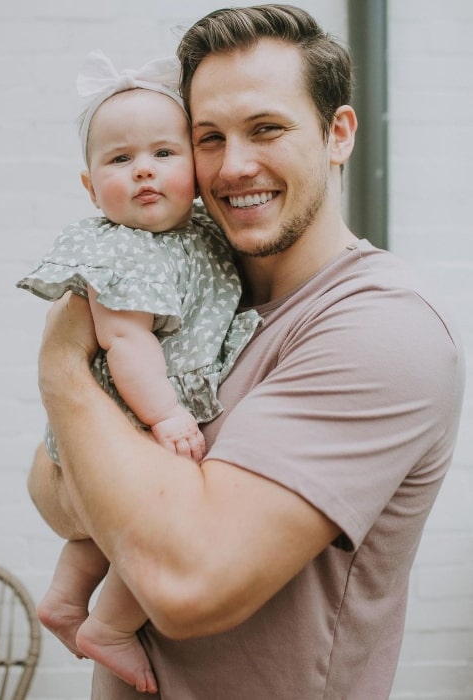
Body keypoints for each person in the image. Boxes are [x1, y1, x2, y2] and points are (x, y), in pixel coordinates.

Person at [27, 5, 465, 699]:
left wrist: (61, 364)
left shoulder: (382, 329)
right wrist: (132, 494)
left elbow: (186, 584)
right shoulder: (195, 293)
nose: (234, 166)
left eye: (267, 129)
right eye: (207, 138)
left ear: (337, 134)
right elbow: (51, 494)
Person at [17, 48, 261, 694]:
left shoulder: (200, 233)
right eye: (121, 161)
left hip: (143, 409)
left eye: (163, 154)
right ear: (91, 187)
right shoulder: (123, 252)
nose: (145, 172)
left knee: (105, 530)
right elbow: (127, 345)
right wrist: (167, 415)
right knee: (149, 521)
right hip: (134, 408)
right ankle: (111, 625)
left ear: (194, 168)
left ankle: (67, 599)